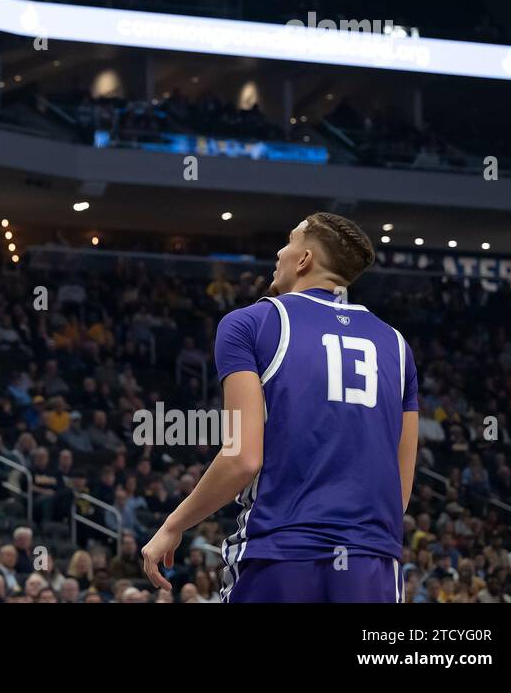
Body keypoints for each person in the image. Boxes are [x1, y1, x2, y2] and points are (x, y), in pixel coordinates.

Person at [142, 213, 419, 603]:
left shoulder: (251, 323)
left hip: (282, 553)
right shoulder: (397, 345)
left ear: (304, 259)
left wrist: (174, 524)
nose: (279, 251)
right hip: (372, 560)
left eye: (288, 241)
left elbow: (243, 458)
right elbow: (399, 486)